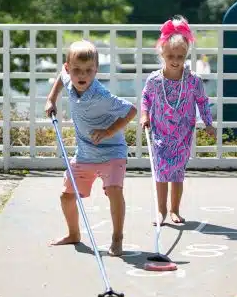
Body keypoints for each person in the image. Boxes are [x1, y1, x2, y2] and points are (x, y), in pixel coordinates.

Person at [44, 39, 136, 256]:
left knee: (114, 191)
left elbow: (130, 111)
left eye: (88, 71)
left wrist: (108, 132)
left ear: (96, 70)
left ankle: (117, 237)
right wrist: (51, 99)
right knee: (67, 196)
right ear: (69, 68)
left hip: (112, 153)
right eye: (76, 70)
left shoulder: (100, 95)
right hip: (85, 154)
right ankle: (74, 234)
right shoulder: (69, 80)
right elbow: (61, 76)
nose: (82, 76)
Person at [140, 16, 215, 225]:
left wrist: (208, 123)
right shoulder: (155, 80)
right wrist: (144, 115)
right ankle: (161, 211)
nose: (175, 60)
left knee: (177, 173)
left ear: (186, 56)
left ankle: (175, 210)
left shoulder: (193, 81)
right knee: (161, 172)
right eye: (171, 55)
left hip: (182, 134)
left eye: (180, 56)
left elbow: (202, 101)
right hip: (160, 133)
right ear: (162, 53)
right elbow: (145, 98)